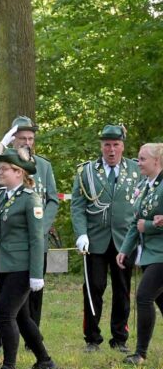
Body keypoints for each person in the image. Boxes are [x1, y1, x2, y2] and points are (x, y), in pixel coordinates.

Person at [0, 116, 58, 333]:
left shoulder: (43, 165)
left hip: (35, 239)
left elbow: (52, 199)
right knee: (6, 293)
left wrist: (42, 227)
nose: (27, 142)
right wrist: (2, 145)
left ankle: (32, 336)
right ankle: (5, 335)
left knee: (34, 293)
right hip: (10, 242)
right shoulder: (4, 165)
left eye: (31, 138)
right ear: (13, 139)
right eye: (22, 138)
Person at [71, 125, 139, 353]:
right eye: (107, 145)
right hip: (95, 240)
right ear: (101, 146)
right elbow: (77, 206)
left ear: (122, 146)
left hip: (125, 240)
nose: (111, 150)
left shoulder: (136, 169)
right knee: (94, 288)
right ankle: (92, 338)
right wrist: (81, 233)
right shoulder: (87, 171)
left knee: (122, 289)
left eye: (116, 145)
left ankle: (120, 338)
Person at [0, 148, 57, 369]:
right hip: (5, 264)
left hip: (22, 266)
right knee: (21, 316)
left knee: (6, 314)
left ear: (18, 172)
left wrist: (36, 274)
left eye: (4, 169)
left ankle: (8, 366)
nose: (0, 172)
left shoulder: (30, 199)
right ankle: (45, 361)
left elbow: (37, 239)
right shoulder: (3, 196)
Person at [117, 143, 163, 365]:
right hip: (149, 254)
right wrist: (125, 249)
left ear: (157, 161)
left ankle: (140, 354)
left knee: (144, 297)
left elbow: (145, 224)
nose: (139, 163)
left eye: (143, 159)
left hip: (161, 254)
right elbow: (136, 222)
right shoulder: (146, 185)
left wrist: (150, 226)